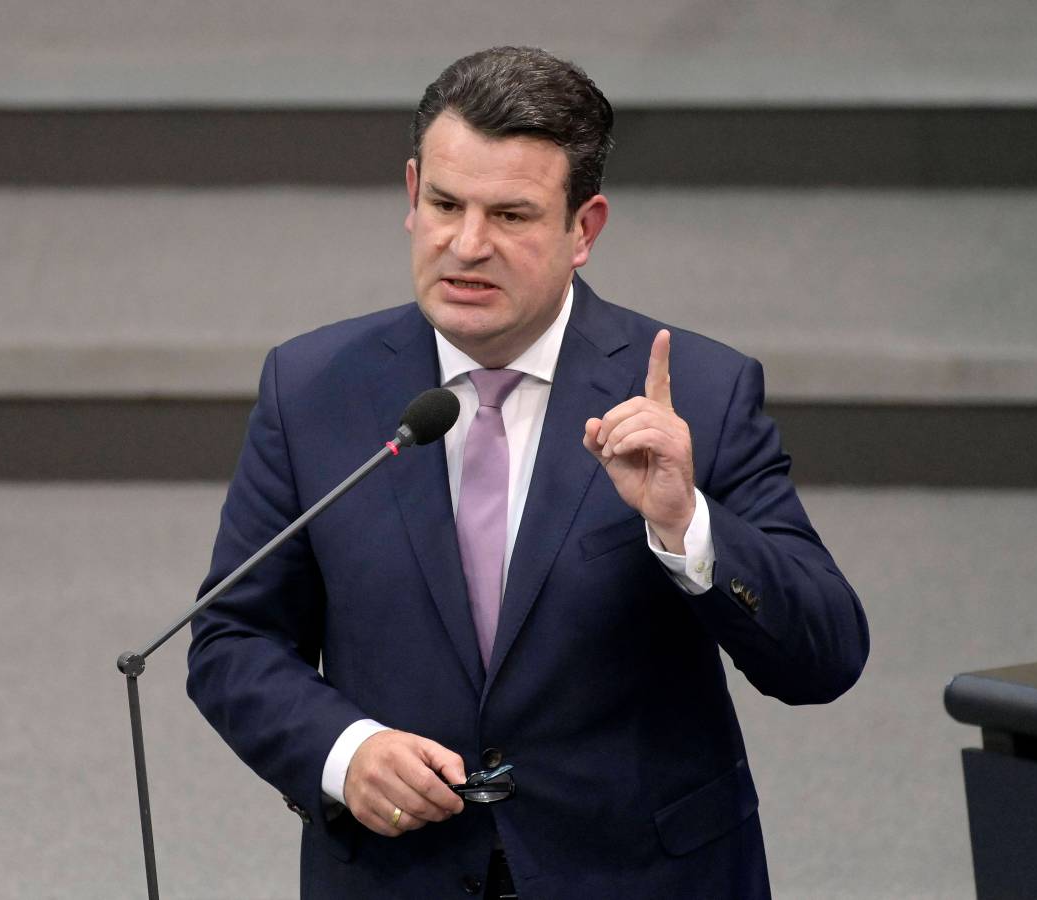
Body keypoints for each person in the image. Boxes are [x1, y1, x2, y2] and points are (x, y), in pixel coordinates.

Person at [187, 46, 869, 899]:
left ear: (583, 230)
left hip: (640, 878)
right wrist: (344, 750)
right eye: (444, 204)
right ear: (410, 196)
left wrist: (686, 523)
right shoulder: (314, 387)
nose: (466, 246)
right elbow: (232, 640)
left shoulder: (698, 391)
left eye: (510, 216)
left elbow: (827, 657)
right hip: (404, 874)